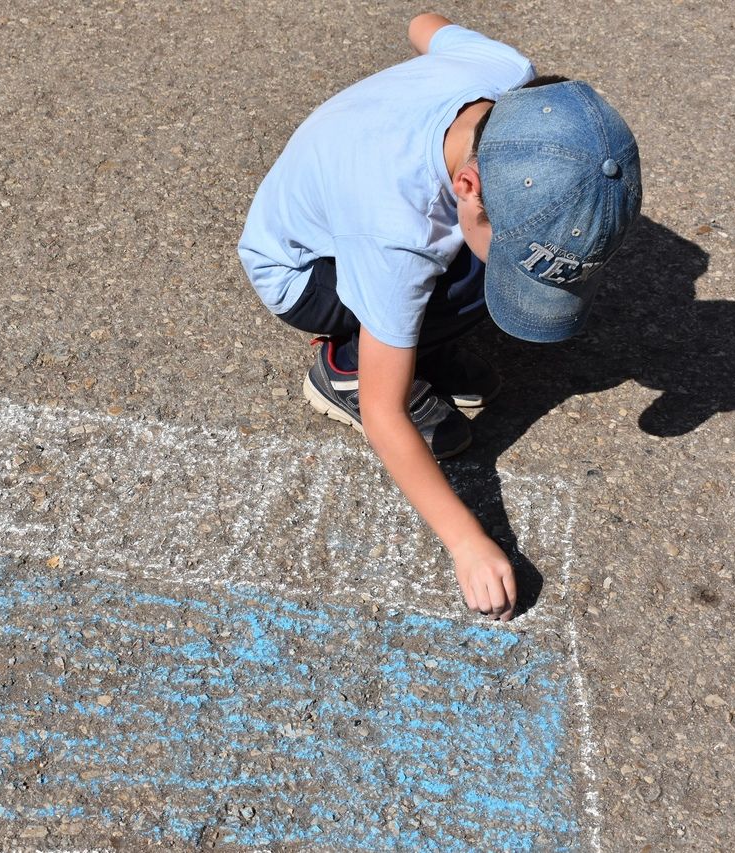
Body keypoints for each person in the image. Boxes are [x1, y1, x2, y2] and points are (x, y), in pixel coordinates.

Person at [237, 13, 641, 621]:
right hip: (303, 273)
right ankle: (343, 366)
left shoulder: (504, 74)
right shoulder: (397, 233)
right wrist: (468, 541)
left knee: (481, 268)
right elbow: (385, 413)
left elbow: (425, 24)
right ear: (470, 183)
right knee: (473, 285)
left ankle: (414, 336)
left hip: (357, 206)